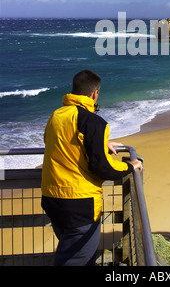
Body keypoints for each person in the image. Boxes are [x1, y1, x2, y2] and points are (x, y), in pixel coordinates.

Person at [41, 69, 142, 266]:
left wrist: (101, 144)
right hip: (80, 203)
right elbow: (102, 167)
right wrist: (128, 166)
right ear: (95, 94)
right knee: (78, 260)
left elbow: (61, 143)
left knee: (68, 250)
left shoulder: (57, 116)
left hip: (51, 197)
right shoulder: (94, 123)